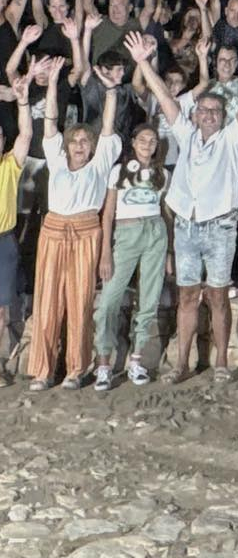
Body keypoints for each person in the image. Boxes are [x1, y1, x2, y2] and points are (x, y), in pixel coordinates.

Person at [125, 31, 238, 384]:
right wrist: (143, 63)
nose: (209, 115)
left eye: (216, 111)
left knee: (219, 296)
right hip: (186, 226)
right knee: (188, 296)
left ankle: (221, 362)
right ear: (194, 114)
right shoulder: (185, 133)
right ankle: (181, 363)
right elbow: (165, 98)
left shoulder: (232, 138)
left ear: (223, 117)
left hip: (219, 227)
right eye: (204, 110)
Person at [27, 55, 121, 391]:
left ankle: (76, 369)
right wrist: (53, 83)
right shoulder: (57, 160)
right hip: (54, 231)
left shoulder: (100, 164)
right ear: (67, 146)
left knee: (79, 302)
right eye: (75, 141)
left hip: (85, 232)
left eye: (84, 141)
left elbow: (107, 128)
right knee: (47, 301)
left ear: (91, 146)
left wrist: (111, 91)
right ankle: (42, 371)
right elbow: (50, 123)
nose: (79, 145)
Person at [93, 124, 170, 390]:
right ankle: (104, 363)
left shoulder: (163, 174)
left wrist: (169, 251)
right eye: (143, 139)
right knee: (108, 302)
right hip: (126, 234)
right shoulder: (119, 171)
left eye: (153, 140)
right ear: (134, 142)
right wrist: (105, 252)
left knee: (149, 298)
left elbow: (165, 211)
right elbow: (108, 214)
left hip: (155, 232)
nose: (148, 144)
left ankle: (136, 360)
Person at [0, 72, 33, 385]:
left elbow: (25, 134)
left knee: (1, 309)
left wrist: (22, 101)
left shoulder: (9, 165)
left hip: (4, 242)